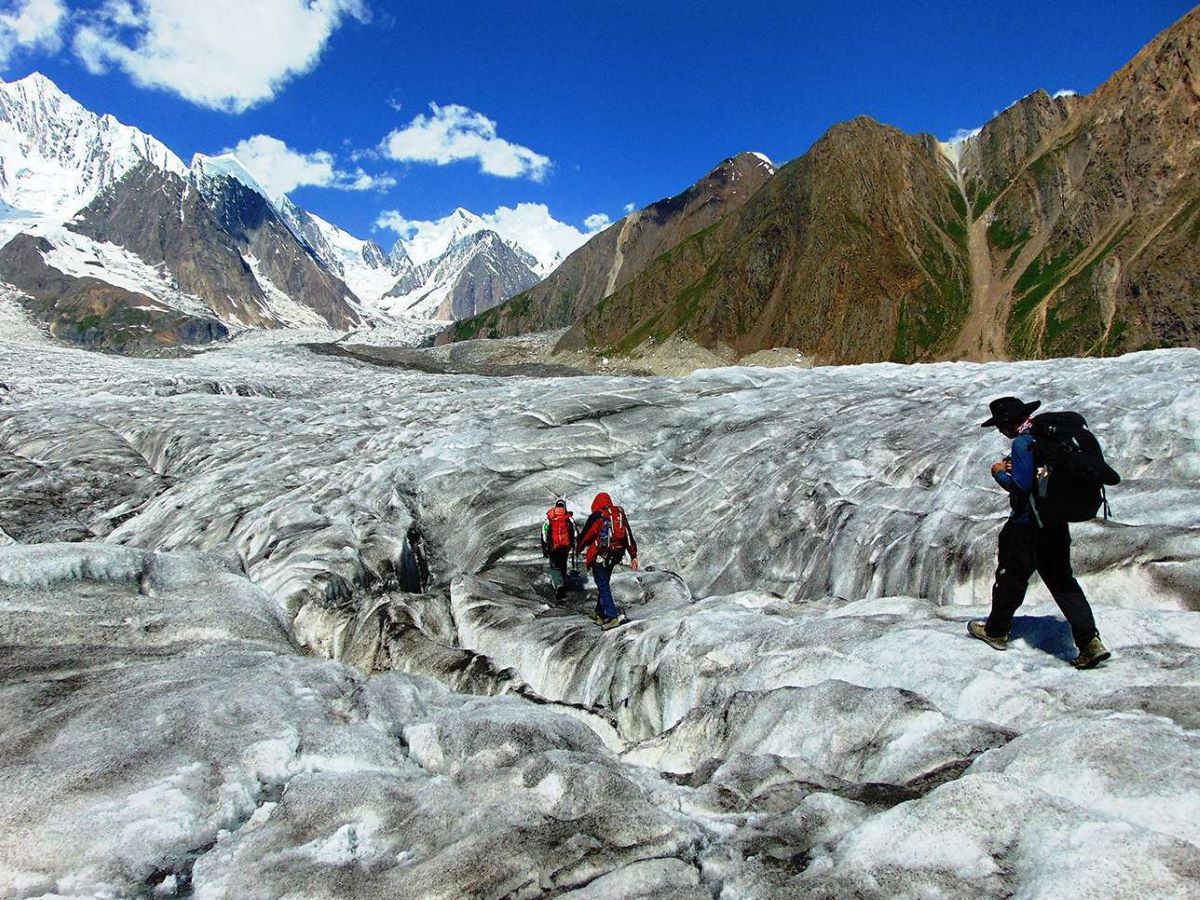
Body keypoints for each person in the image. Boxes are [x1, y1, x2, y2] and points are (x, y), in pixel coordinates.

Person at [968, 396, 1111, 669]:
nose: (1000, 431)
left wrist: (998, 472)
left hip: (1027, 526)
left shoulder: (1023, 443)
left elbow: (1020, 486)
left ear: (1008, 424)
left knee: (1010, 577)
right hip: (1055, 522)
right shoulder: (1046, 438)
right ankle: (1090, 642)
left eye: (1000, 426)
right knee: (1063, 583)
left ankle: (996, 631)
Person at [577, 491, 639, 630]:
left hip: (601, 555)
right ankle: (600, 614)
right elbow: (628, 535)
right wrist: (633, 555)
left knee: (602, 583)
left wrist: (578, 548)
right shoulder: (619, 514)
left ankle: (612, 616)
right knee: (604, 582)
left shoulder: (597, 516)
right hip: (616, 554)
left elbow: (586, 535)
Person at [541, 499, 577, 601]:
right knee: (563, 564)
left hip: (553, 547)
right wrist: (572, 544)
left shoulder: (550, 518)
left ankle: (558, 584)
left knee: (554, 566)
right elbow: (575, 533)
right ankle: (563, 584)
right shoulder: (569, 518)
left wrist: (546, 545)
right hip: (565, 547)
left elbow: (544, 532)